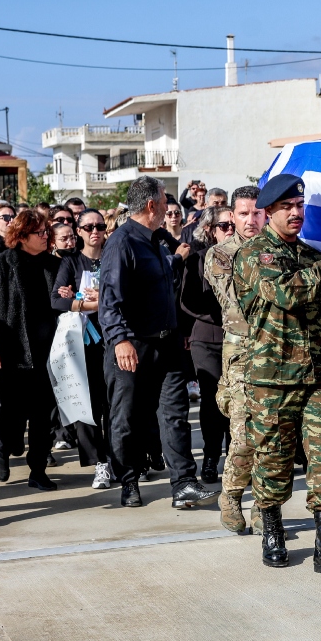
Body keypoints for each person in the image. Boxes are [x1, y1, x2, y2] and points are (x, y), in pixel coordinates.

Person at [233, 173, 321, 578]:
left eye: (300, 206)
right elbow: (286, 293)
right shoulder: (255, 255)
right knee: (273, 459)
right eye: (287, 207)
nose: (296, 214)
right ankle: (272, 528)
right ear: (268, 212)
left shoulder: (310, 255)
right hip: (273, 377)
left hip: (318, 376)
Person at [100, 175, 218, 509]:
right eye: (165, 200)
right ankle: (128, 480)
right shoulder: (121, 243)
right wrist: (120, 339)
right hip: (132, 346)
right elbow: (110, 298)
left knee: (175, 413)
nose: (169, 206)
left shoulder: (157, 239)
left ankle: (183, 483)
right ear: (152, 205)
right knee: (126, 419)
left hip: (166, 345)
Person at [0, 210, 61, 491]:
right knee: (12, 413)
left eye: (46, 231)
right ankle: (2, 448)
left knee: (43, 416)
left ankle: (37, 470)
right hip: (13, 352)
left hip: (49, 352)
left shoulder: (54, 265)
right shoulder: (0, 264)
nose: (46, 236)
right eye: (40, 233)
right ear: (22, 236)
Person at [206, 185, 263, 533]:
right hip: (242, 356)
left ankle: (264, 506)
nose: (251, 220)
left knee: (271, 439)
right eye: (244, 214)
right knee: (242, 436)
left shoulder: (280, 250)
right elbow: (235, 305)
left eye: (258, 213)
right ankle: (230, 494)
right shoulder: (220, 254)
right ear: (232, 216)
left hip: (279, 357)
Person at [51, 209, 113, 490]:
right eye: (88, 227)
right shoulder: (71, 262)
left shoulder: (114, 256)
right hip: (82, 342)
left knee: (113, 405)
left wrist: (105, 298)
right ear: (78, 231)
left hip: (115, 340)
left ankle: (119, 459)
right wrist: (84, 304)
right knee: (85, 407)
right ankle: (99, 463)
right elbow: (55, 300)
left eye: (99, 226)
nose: (94, 231)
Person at [180, 205, 234, 485]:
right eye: (224, 226)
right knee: (213, 400)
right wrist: (225, 314)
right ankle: (211, 458)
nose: (229, 231)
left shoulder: (245, 256)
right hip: (208, 337)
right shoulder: (198, 259)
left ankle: (236, 458)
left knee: (237, 402)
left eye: (232, 225)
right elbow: (188, 300)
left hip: (238, 339)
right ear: (211, 230)